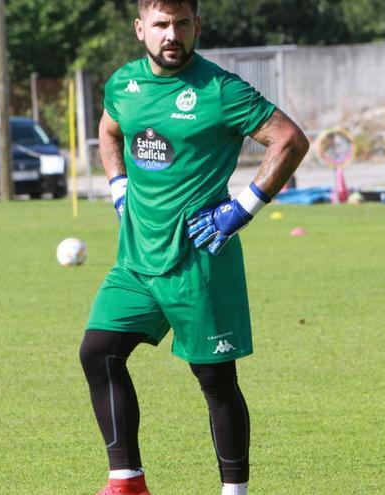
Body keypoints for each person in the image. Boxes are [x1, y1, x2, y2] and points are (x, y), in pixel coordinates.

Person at [79, 1, 309, 494]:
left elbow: (288, 139)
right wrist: (118, 184)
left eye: (182, 24)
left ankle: (234, 491)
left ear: (196, 27)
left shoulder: (221, 90)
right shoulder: (124, 84)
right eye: (161, 24)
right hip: (136, 262)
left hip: (199, 263)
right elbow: (108, 128)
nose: (171, 35)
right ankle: (126, 481)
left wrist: (242, 208)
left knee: (216, 383)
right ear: (141, 29)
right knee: (98, 353)